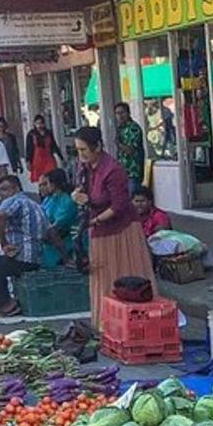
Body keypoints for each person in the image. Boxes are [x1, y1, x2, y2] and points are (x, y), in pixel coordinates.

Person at [70, 127, 158, 326]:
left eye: (84, 150)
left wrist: (94, 220)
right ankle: (105, 324)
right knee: (101, 277)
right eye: (78, 150)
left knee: (124, 276)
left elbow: (119, 206)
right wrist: (76, 196)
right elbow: (81, 190)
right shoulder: (83, 166)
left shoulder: (113, 169)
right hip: (98, 228)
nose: (80, 154)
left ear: (98, 147)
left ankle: (135, 323)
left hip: (121, 230)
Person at [0, 175, 62, 316]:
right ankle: (6, 301)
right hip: (34, 259)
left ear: (16, 188)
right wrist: (65, 257)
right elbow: (52, 232)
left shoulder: (14, 200)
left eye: (5, 189)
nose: (2, 194)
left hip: (20, 259)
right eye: (0, 191)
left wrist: (2, 244)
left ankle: (6, 305)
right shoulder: (36, 205)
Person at [38, 168, 77, 269]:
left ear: (53, 184)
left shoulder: (66, 201)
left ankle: (67, 259)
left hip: (64, 240)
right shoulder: (48, 199)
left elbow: (58, 225)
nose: (42, 188)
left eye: (45, 184)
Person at [114, 102, 146, 195]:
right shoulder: (121, 128)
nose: (120, 116)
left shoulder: (133, 128)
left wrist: (118, 144)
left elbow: (130, 150)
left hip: (133, 171)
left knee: (133, 198)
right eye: (117, 113)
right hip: (123, 171)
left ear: (128, 113)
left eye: (122, 112)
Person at [26, 114, 62, 184]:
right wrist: (28, 160)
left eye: (41, 123)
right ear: (34, 124)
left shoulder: (48, 133)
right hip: (38, 161)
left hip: (48, 158)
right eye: (37, 123)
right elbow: (29, 148)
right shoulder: (31, 134)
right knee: (40, 180)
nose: (39, 125)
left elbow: (54, 145)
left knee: (51, 177)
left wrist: (60, 156)